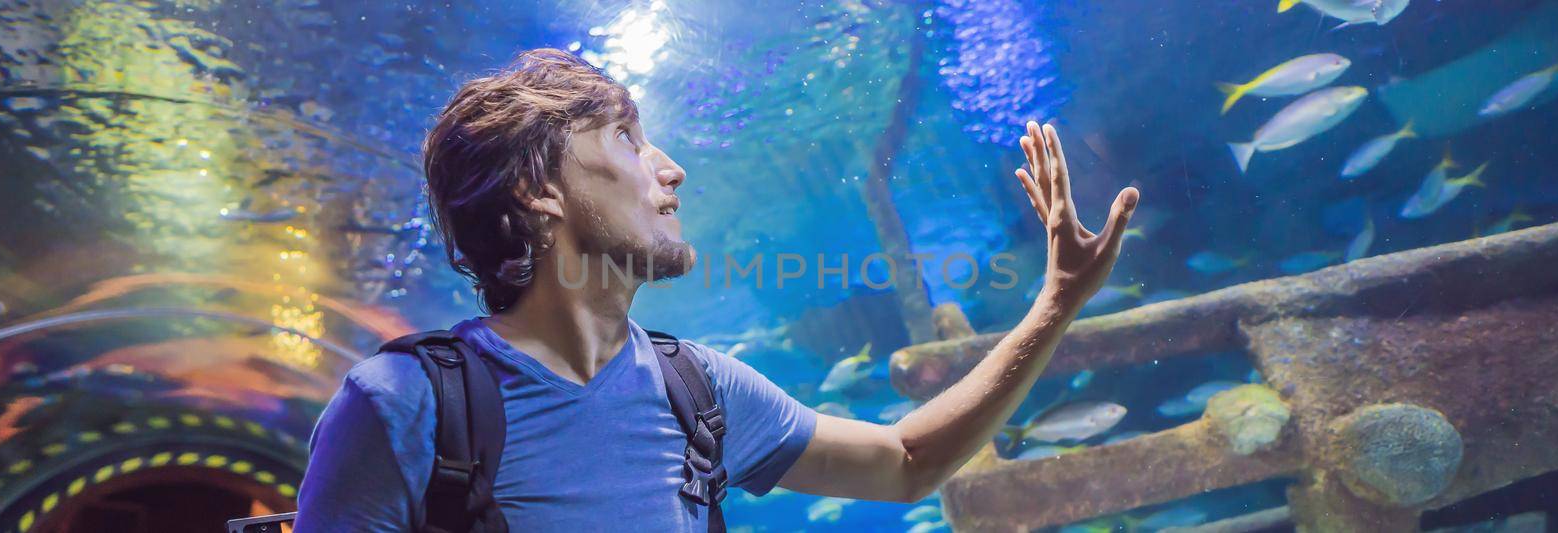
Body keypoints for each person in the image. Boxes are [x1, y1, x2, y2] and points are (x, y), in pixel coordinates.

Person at [294, 48, 1139, 531]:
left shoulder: (696, 388)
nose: (671, 169)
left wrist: (1057, 299)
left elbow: (907, 462)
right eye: (626, 139)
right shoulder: (404, 405)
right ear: (536, 189)